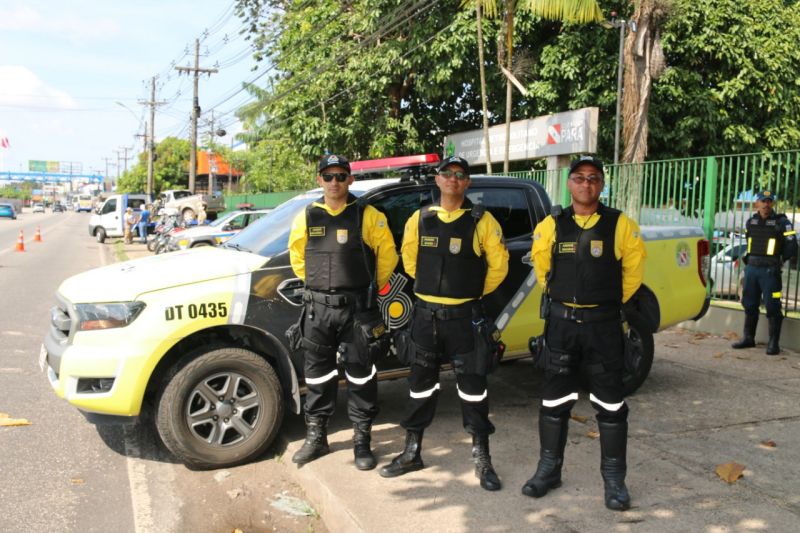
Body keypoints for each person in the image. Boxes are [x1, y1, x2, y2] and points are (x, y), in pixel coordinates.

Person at [522, 155, 646, 511]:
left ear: (602, 184)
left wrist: (600, 303)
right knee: (554, 401)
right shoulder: (551, 225)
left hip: (603, 328)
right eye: (579, 177)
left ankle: (614, 480)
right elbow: (543, 272)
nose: (586, 184)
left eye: (593, 178)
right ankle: (548, 470)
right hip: (561, 327)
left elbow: (633, 274)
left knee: (611, 405)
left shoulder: (620, 224)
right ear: (569, 183)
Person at [379, 156, 509, 491]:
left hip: (465, 320)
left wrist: (470, 291)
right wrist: (433, 290)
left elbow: (499, 267)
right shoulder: (419, 218)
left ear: (467, 182)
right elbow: (410, 260)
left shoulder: (482, 220)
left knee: (474, 390)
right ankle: (412, 452)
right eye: (446, 173)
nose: (453, 179)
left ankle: (482, 458)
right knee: (420, 387)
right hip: (426, 318)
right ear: (437, 180)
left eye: (460, 175)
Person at [287, 154, 398, 470]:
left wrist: (368, 288)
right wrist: (319, 286)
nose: (334, 182)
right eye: (328, 176)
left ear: (350, 179)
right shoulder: (306, 216)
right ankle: (317, 438)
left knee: (361, 375)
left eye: (340, 176)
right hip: (317, 311)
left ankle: (362, 441)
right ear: (319, 180)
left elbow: (387, 257)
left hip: (357, 312)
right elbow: (298, 258)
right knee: (318, 375)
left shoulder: (368, 215)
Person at [731, 190, 797, 355]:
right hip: (752, 270)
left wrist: (781, 259)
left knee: (772, 305)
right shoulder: (751, 222)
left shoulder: (782, 222)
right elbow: (749, 242)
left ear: (772, 203)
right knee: (749, 303)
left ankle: (773, 343)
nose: (766, 204)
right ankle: (748, 338)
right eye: (763, 201)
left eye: (769, 201)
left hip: (770, 272)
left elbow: (792, 245)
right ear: (757, 203)